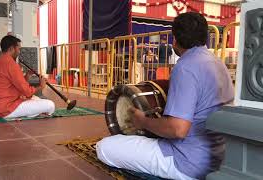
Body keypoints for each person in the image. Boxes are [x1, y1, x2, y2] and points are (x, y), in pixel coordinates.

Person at [96, 12, 234, 180]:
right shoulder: (218, 63)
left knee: (105, 147)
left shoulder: (185, 67)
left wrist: (143, 122)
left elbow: (178, 129)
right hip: (218, 159)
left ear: (175, 39)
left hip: (188, 163)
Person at [0, 35, 55, 118]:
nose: (19, 52)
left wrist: (26, 77)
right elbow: (27, 92)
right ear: (12, 48)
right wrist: (41, 86)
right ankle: (33, 113)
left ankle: (32, 113)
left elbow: (13, 85)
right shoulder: (11, 64)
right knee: (50, 105)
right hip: (5, 109)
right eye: (18, 49)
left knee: (36, 99)